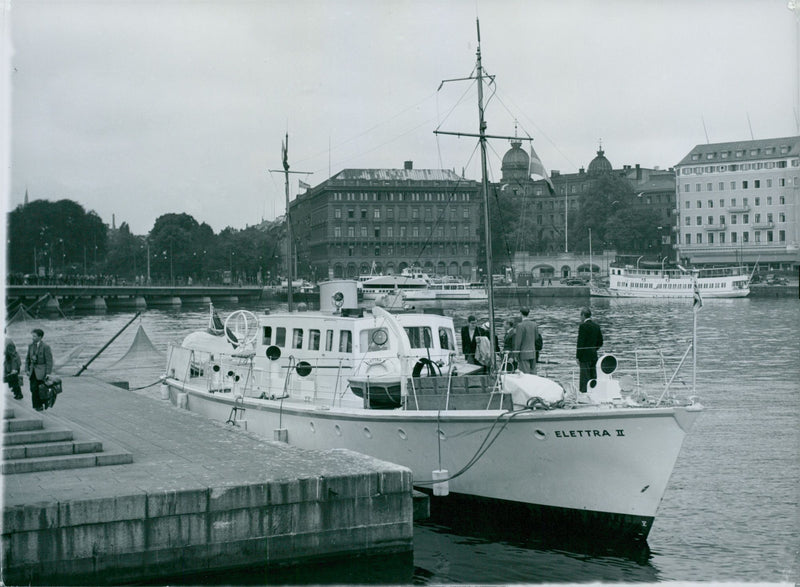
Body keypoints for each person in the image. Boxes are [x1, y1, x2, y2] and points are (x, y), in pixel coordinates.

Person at [25, 328, 54, 411]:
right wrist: (26, 369)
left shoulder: (46, 347)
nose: (32, 338)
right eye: (32, 336)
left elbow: (49, 360)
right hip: (32, 371)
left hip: (42, 371)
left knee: (40, 388)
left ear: (40, 337)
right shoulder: (30, 346)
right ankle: (39, 404)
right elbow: (27, 359)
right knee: (32, 388)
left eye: (34, 336)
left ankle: (38, 405)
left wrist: (48, 372)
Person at [576, 307, 604, 393]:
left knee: (584, 377)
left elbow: (580, 343)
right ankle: (594, 392)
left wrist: (578, 356)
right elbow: (600, 342)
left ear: (583, 315)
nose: (580, 318)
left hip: (584, 356)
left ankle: (584, 394)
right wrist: (594, 349)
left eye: (581, 315)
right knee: (593, 376)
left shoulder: (583, 326)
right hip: (593, 355)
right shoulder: (596, 326)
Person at [513, 307, 540, 374]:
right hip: (533, 352)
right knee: (533, 373)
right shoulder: (534, 324)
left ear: (521, 314)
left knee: (525, 374)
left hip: (523, 353)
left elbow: (518, 342)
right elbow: (537, 338)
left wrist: (516, 355)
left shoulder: (520, 325)